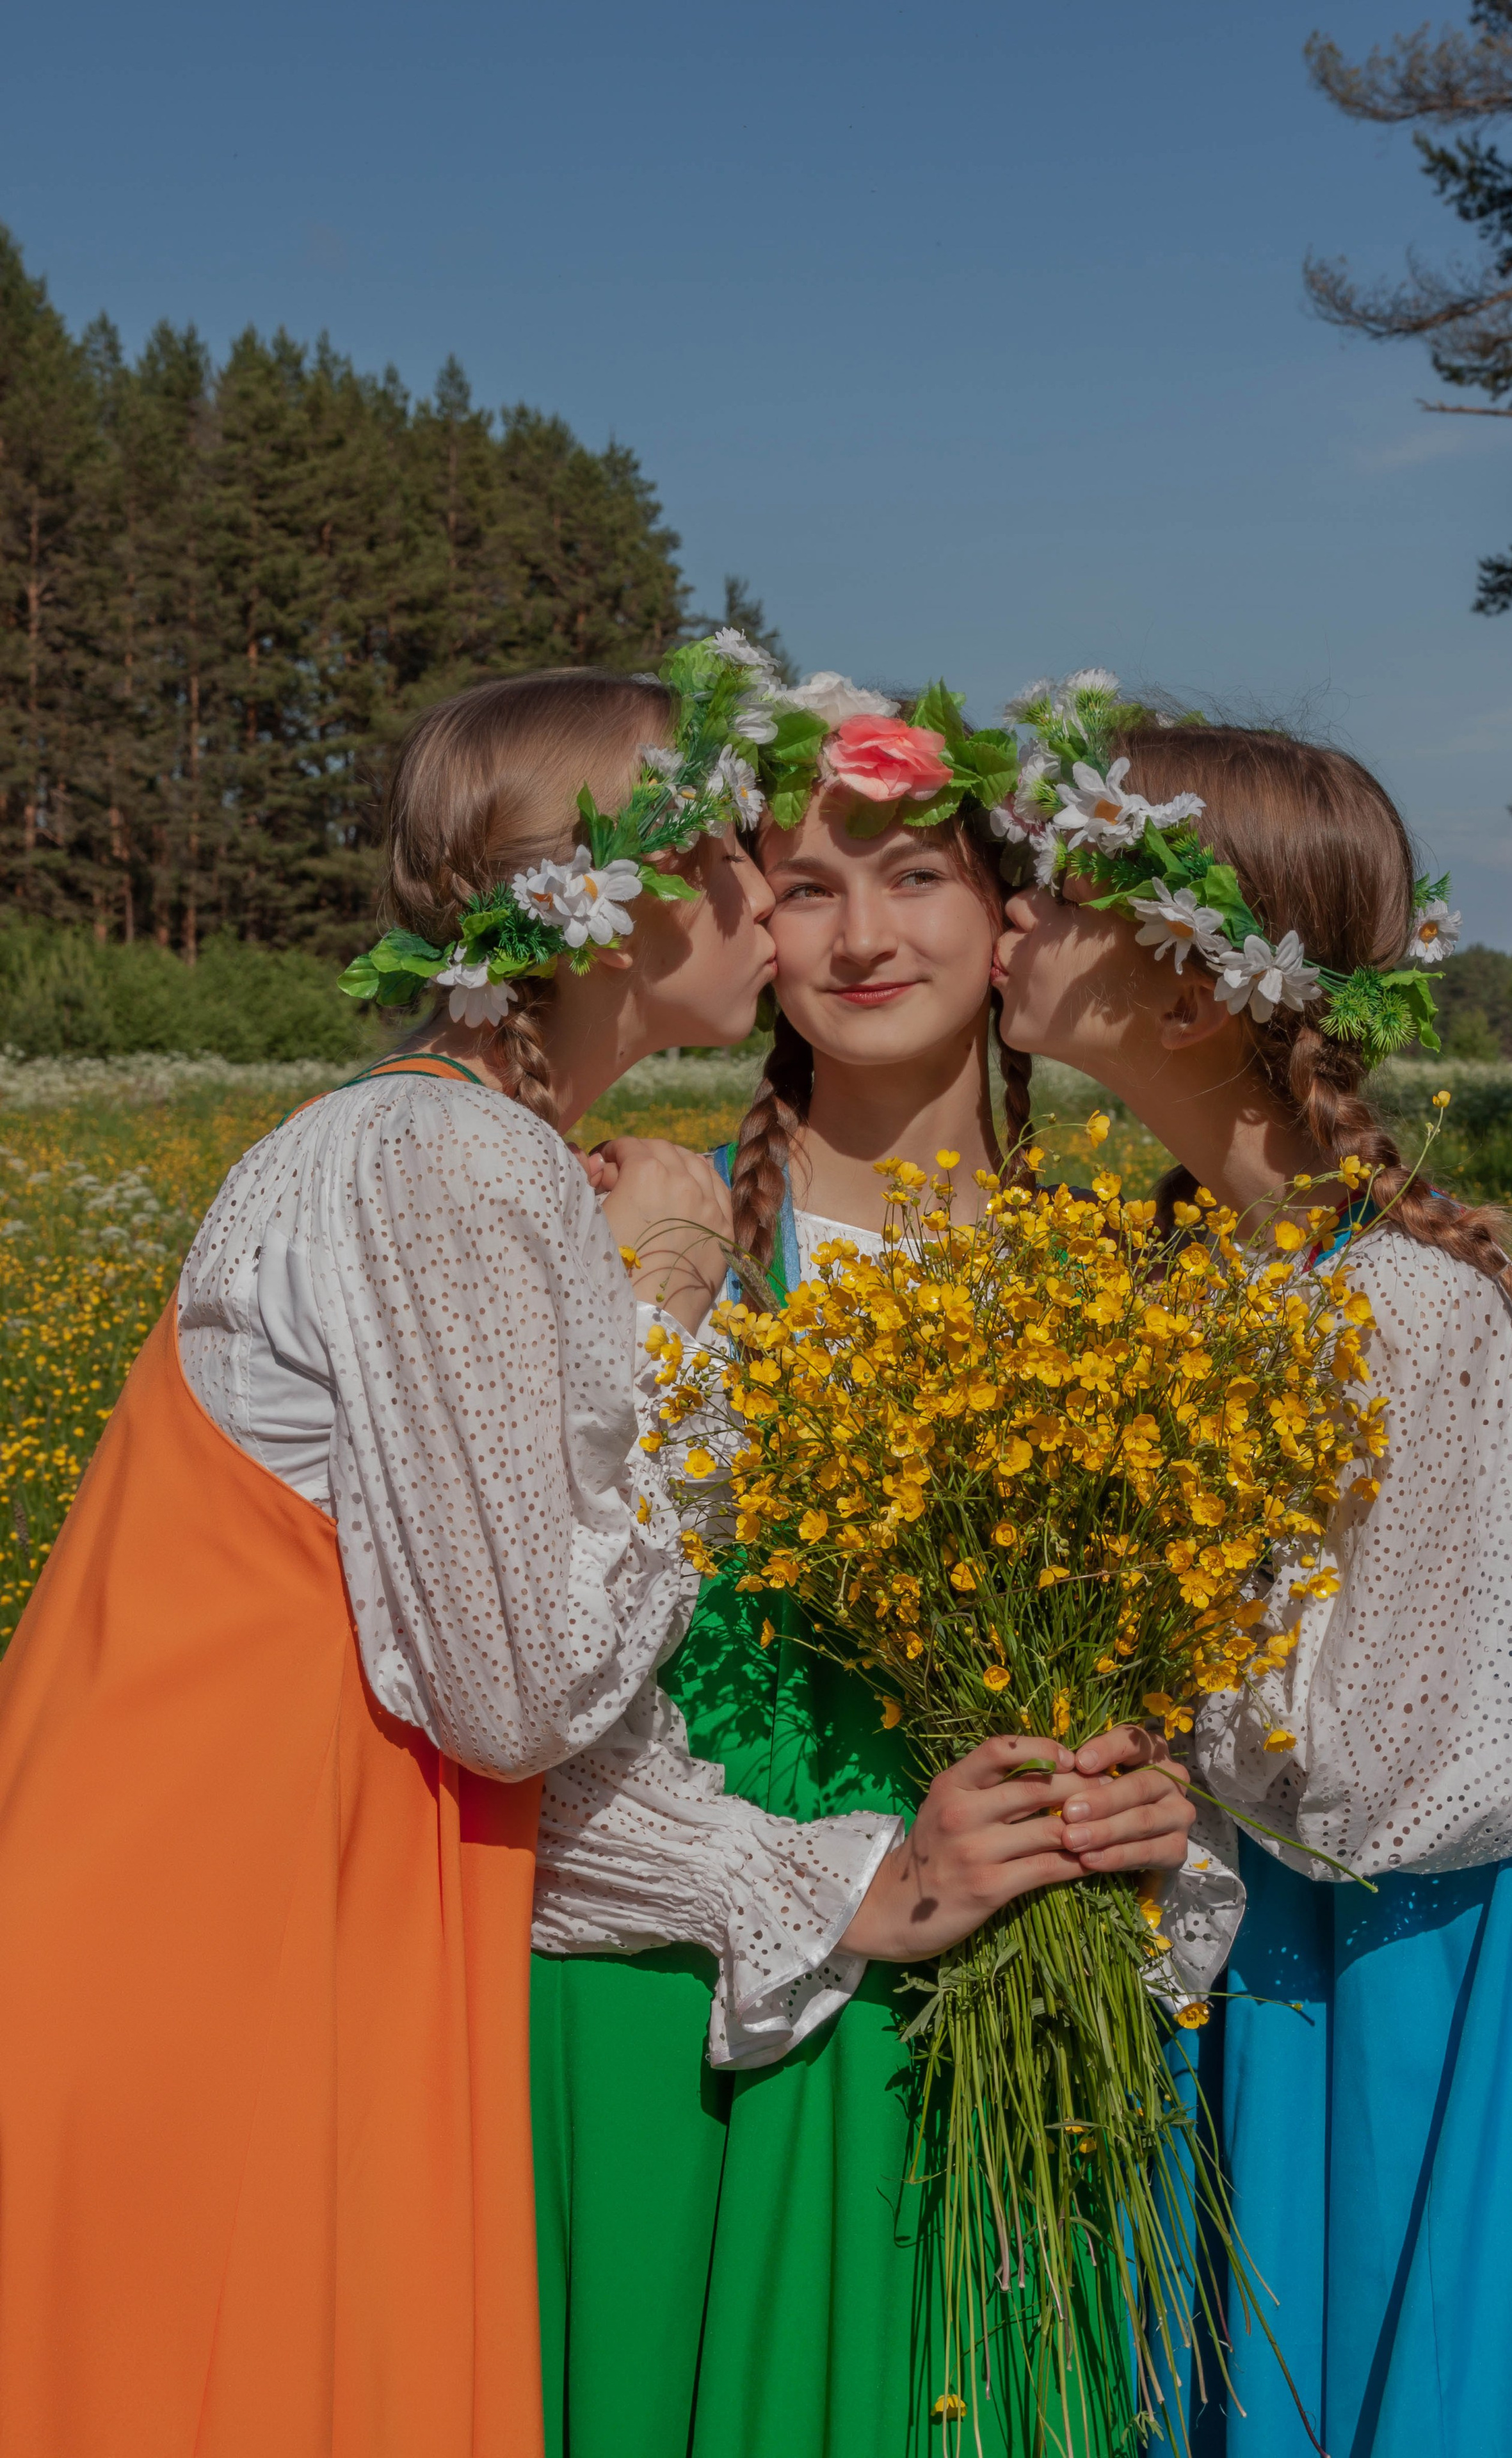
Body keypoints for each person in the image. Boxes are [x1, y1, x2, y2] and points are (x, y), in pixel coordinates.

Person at [0, 653, 1091, 2458]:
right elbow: (520, 1685)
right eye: (736, 860)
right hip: (219, 1941)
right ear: (613, 900)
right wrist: (670, 1295)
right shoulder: (452, 1159)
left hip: (271, 1923)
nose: (768, 901)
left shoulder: (449, 1143)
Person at [530, 696, 1227, 2458]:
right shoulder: (650, 1230)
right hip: (707, 2006)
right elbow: (536, 1672)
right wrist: (843, 1886)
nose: (859, 938)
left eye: (915, 876)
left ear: (1011, 919)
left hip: (1031, 2024)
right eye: (805, 886)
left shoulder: (1146, 1284)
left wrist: (1162, 1809)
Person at [992, 684, 1512, 2458]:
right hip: (1286, 1923)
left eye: (1060, 887)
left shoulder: (1415, 1313)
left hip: (1407, 1977)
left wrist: (1138, 1714)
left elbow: (1414, 1783)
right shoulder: (1200, 1272)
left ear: (1192, 994)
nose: (1012, 908)